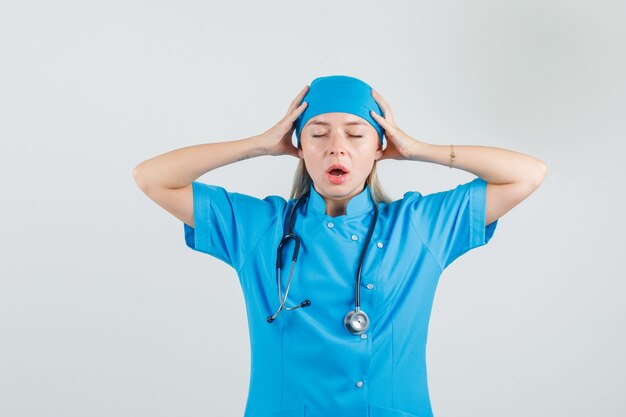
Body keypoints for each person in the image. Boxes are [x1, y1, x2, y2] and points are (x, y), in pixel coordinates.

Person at [133, 75, 547, 417]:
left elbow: (527, 174)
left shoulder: (418, 227)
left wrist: (419, 150)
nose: (337, 146)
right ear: (298, 147)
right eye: (318, 133)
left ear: (379, 148)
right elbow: (151, 177)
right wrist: (257, 145)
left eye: (356, 134)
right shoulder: (259, 228)